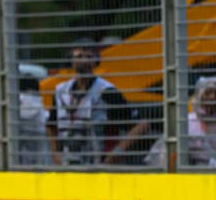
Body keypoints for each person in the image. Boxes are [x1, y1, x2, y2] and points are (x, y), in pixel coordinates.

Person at [50, 38, 147, 166]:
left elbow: (141, 125)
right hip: (68, 164)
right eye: (79, 56)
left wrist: (118, 151)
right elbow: (51, 125)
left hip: (99, 164)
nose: (84, 60)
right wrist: (56, 153)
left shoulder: (106, 91)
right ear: (71, 61)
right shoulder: (61, 91)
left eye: (89, 56)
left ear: (96, 61)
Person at [145, 76, 216, 168]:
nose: (213, 97)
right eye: (208, 93)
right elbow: (167, 158)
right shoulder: (185, 123)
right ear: (199, 97)